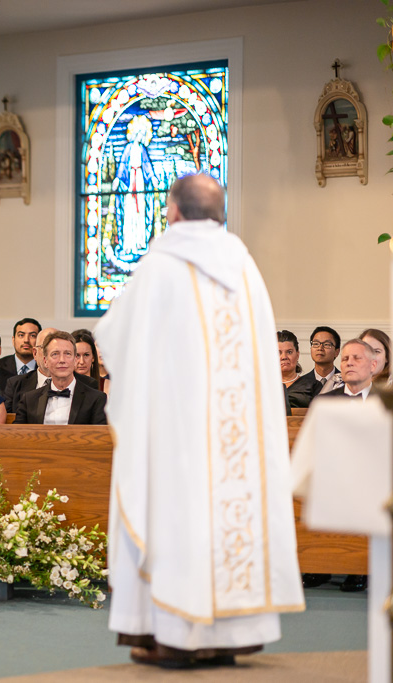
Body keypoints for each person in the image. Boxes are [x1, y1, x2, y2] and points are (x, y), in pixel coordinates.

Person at [95, 174, 304, 668]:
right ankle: (229, 635)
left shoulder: (160, 265)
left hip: (176, 430)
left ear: (172, 211)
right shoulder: (245, 265)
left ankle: (174, 637)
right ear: (220, 213)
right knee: (227, 517)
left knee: (176, 516)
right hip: (237, 439)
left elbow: (119, 343)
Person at [307, 339, 381, 592]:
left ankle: (361, 567)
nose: (348, 363)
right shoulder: (324, 402)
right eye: (346, 359)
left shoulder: (386, 402)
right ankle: (320, 563)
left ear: (373, 365)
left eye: (356, 358)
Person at [14, 331, 107, 426]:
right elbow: (16, 436)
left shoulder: (96, 399)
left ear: (75, 360)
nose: (62, 360)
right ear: (45, 361)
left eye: (67, 354)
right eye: (55, 354)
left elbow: (100, 437)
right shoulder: (29, 400)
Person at [3, 327, 99, 413]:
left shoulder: (88, 384)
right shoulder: (16, 384)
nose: (61, 359)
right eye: (54, 352)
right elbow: (10, 426)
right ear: (35, 353)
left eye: (66, 353)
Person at [0, 318, 41, 397]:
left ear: (39, 341)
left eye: (32, 335)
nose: (26, 340)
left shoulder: (46, 368)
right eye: (21, 335)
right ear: (13, 340)